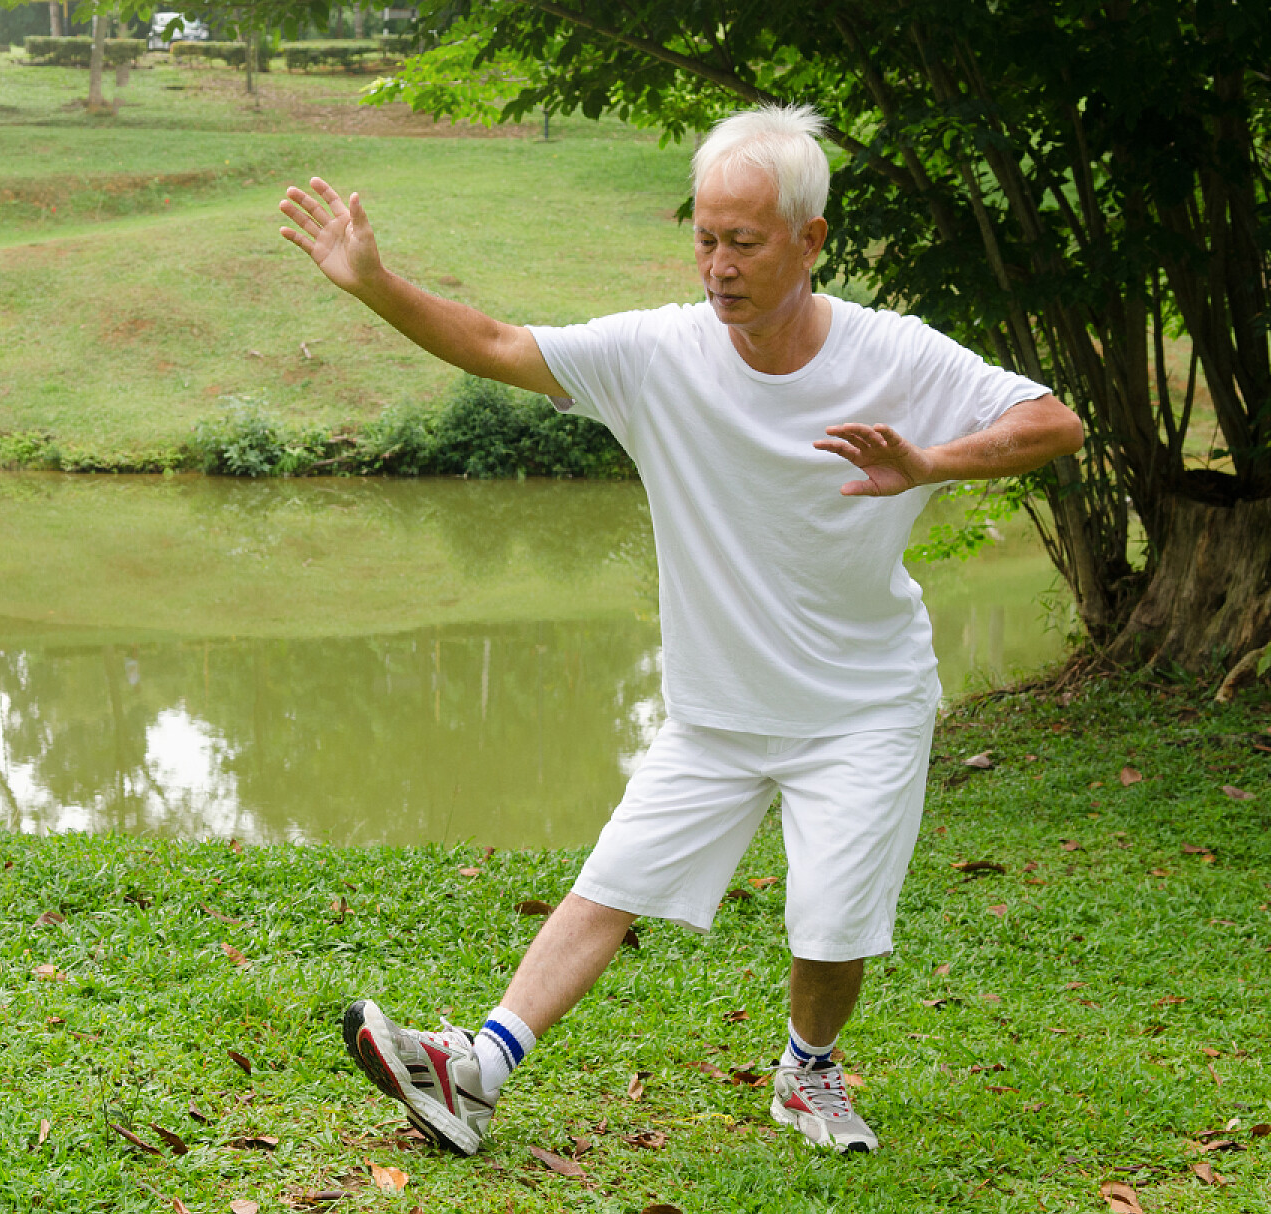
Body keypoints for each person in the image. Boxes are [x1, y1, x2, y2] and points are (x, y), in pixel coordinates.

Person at [278, 104, 1083, 1154]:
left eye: (743, 241)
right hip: (717, 707)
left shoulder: (896, 355)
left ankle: (809, 1072)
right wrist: (376, 285)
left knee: (832, 930)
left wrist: (929, 463)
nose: (717, 265)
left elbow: (1053, 421)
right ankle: (477, 1070)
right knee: (612, 884)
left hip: (861, 704)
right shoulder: (659, 354)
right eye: (704, 237)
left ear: (811, 240)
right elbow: (497, 343)